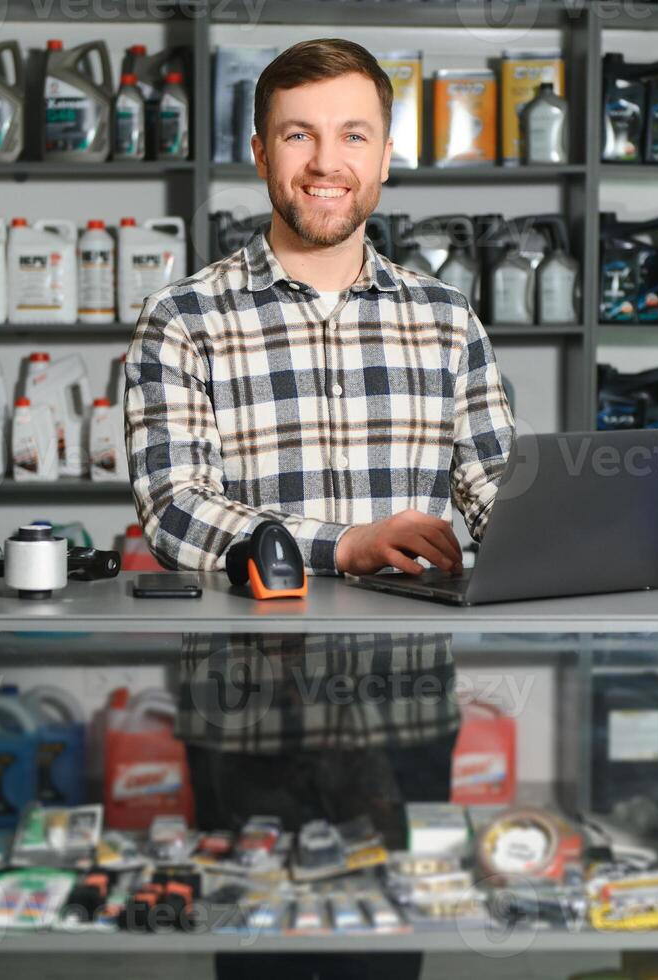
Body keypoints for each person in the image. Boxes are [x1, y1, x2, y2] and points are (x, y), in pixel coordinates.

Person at [123, 38, 515, 980]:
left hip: (404, 709)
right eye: (297, 135)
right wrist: (344, 545)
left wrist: (567, 535)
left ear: (384, 155)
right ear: (259, 152)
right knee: (260, 953)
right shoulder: (184, 318)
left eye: (352, 135)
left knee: (387, 955)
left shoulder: (446, 317)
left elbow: (497, 486)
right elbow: (173, 513)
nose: (325, 162)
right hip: (247, 716)